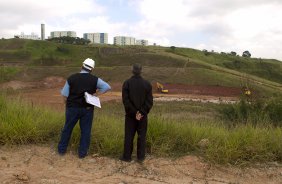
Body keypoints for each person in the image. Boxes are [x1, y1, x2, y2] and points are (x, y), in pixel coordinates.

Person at [58, 58, 111, 158]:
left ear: (82, 66)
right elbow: (107, 86)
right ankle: (82, 154)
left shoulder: (72, 78)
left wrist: (67, 105)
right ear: (92, 69)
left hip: (72, 108)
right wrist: (96, 94)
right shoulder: (95, 79)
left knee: (67, 129)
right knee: (86, 131)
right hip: (87, 109)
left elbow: (65, 95)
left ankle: (61, 150)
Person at [120, 63, 153, 163]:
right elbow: (149, 102)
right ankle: (140, 157)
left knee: (129, 136)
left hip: (130, 116)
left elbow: (126, 101)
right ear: (141, 71)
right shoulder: (147, 84)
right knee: (142, 136)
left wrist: (135, 113)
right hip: (142, 117)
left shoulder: (127, 83)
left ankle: (127, 157)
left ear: (132, 70)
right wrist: (141, 113)